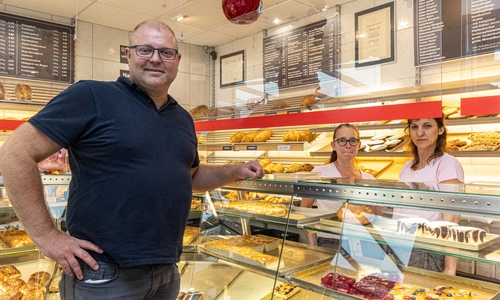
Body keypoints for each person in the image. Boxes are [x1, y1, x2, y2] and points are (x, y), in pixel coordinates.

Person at [0, 20, 264, 300]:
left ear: (177, 60)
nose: (155, 59)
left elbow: (192, 175)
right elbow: (14, 154)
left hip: (166, 270)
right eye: (145, 50)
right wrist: (46, 236)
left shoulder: (182, 119)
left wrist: (235, 170)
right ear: (128, 54)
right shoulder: (92, 96)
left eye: (165, 52)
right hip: (101, 272)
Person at [392, 117, 464, 275]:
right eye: (414, 126)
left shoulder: (447, 164)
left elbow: (452, 220)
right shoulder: (407, 167)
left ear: (440, 130)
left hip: (425, 248)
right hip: (399, 244)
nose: (420, 133)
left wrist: (450, 268)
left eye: (427, 126)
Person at [301, 123, 382, 255]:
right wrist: (313, 244)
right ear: (333, 145)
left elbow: (377, 218)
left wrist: (382, 249)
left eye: (353, 141)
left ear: (359, 145)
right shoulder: (321, 173)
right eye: (342, 141)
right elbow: (305, 211)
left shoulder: (370, 179)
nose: (348, 145)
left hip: (364, 244)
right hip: (331, 244)